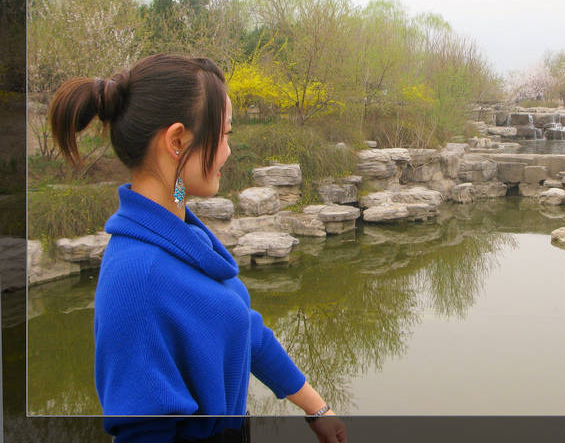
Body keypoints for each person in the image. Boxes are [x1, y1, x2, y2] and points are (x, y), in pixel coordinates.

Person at [49, 54, 347, 443]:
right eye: (223, 135)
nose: (227, 151)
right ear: (176, 141)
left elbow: (241, 326)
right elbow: (143, 431)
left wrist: (316, 408)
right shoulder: (137, 277)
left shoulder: (181, 234)